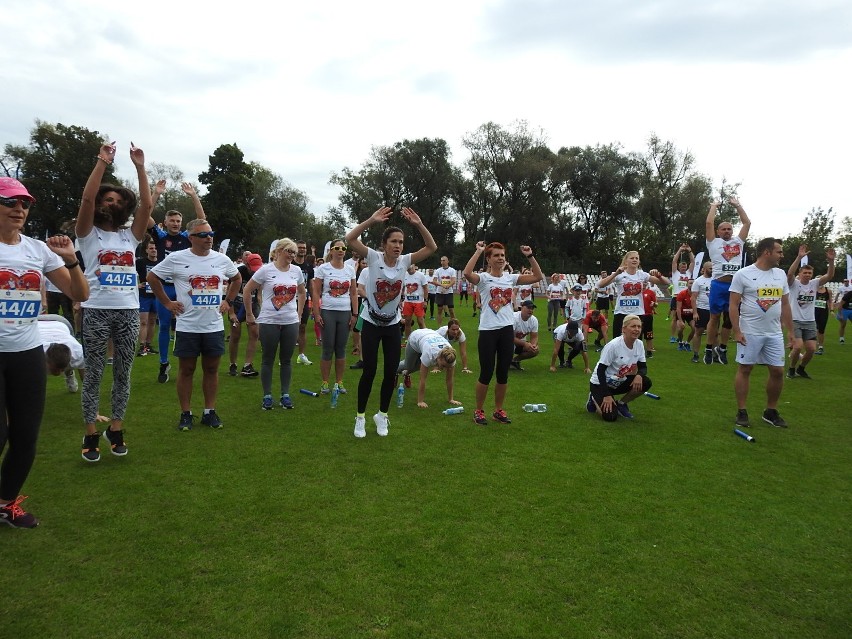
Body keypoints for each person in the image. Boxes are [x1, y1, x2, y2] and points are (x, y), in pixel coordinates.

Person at [1, 177, 89, 527]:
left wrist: (70, 259)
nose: (19, 209)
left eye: (24, 203)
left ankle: (5, 504)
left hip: (27, 353)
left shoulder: (37, 250)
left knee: (25, 436)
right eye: (10, 202)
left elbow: (79, 294)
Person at [76, 142, 152, 463]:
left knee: (124, 372)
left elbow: (147, 207)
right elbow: (87, 198)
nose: (112, 203)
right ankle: (91, 431)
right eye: (109, 198)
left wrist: (139, 167)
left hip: (127, 312)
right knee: (93, 373)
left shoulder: (128, 237)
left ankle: (116, 429)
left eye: (119, 200)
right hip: (95, 311)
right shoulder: (87, 233)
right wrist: (102, 162)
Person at [345, 207, 437, 438]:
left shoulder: (405, 261)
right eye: (393, 241)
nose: (398, 246)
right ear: (384, 243)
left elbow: (431, 247)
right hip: (371, 323)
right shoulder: (373, 258)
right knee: (369, 371)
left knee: (391, 372)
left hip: (392, 324)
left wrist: (419, 224)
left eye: (401, 242)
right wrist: (371, 220)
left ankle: (382, 415)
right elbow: (350, 239)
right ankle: (360, 417)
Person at [148, 219, 241, 430]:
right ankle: (186, 413)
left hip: (213, 325)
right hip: (187, 326)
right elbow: (152, 277)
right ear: (191, 238)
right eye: (203, 235)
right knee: (187, 369)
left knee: (211, 369)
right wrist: (167, 303)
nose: (209, 238)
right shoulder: (177, 258)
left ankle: (209, 411)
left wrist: (228, 301)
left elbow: (236, 279)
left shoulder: (221, 259)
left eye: (211, 234)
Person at [463, 241, 543, 426]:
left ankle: (498, 410)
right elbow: (467, 273)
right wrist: (478, 251)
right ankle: (479, 411)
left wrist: (530, 255)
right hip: (488, 331)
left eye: (502, 255)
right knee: (486, 372)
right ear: (489, 259)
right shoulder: (483, 278)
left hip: (507, 331)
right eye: (496, 255)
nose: (500, 258)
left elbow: (537, 276)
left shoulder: (510, 278)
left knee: (502, 374)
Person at [729, 237, 793, 428]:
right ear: (767, 252)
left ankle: (770, 411)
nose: (782, 255)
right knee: (745, 368)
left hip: (774, 332)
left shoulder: (780, 274)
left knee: (778, 371)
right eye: (779, 251)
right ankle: (742, 411)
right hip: (750, 331)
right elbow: (733, 304)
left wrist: (791, 331)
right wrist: (737, 330)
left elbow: (785, 303)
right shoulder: (743, 274)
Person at [148, 180, 207, 384]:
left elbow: (201, 219)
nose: (175, 224)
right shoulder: (160, 237)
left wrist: (193, 196)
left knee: (189, 324)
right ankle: (164, 363)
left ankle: (189, 360)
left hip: (185, 287)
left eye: (178, 221)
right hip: (165, 288)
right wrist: (155, 193)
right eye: (172, 220)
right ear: (165, 222)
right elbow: (145, 215)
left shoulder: (186, 236)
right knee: (164, 326)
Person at [243, 238, 306, 411]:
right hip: (269, 320)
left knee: (286, 360)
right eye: (289, 251)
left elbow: (302, 292)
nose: (292, 255)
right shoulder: (265, 270)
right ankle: (267, 396)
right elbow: (247, 290)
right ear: (278, 252)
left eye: (294, 252)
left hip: (290, 321)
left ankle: (285, 395)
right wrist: (249, 313)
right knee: (268, 359)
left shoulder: (297, 271)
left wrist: (299, 314)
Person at [704, 196, 751, 365]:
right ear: (718, 232)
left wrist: (738, 205)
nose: (727, 231)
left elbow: (747, 223)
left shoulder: (738, 242)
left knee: (731, 319)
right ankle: (709, 348)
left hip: (735, 286)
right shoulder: (713, 242)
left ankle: (722, 348)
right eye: (723, 229)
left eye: (729, 229)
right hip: (718, 284)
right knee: (714, 317)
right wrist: (713, 206)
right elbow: (709, 223)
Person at [312, 239, 358, 395]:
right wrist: (317, 313)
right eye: (337, 248)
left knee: (341, 348)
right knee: (327, 348)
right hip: (328, 311)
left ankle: (339, 382)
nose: (340, 250)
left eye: (343, 248)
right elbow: (316, 292)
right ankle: (325, 383)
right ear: (331, 251)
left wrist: (355, 314)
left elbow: (353, 292)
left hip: (345, 312)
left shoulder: (350, 269)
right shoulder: (323, 268)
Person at [586, 314, 652, 422]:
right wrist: (606, 394)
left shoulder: (639, 344)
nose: (637, 329)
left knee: (645, 382)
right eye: (633, 326)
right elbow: (600, 370)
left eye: (639, 327)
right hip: (600, 383)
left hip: (618, 381)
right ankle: (593, 398)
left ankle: (621, 404)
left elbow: (643, 367)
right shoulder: (613, 346)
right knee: (610, 417)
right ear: (624, 329)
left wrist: (639, 375)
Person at [786, 245, 836, 379]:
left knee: (812, 349)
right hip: (795, 320)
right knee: (797, 347)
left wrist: (831, 261)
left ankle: (801, 369)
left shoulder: (814, 283)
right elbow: (790, 274)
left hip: (809, 321)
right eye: (805, 273)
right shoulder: (794, 284)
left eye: (809, 273)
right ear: (800, 274)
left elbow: (830, 275)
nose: (807, 275)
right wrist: (799, 257)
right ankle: (791, 369)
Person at [596, 251, 669, 337]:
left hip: (637, 313)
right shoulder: (620, 274)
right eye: (632, 258)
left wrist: (659, 275)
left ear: (639, 262)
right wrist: (616, 273)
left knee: (636, 340)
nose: (634, 260)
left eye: (636, 258)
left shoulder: (642, 275)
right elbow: (601, 284)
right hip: (621, 313)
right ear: (626, 261)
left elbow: (666, 283)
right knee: (619, 341)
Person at [396, 328, 460, 408]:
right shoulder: (429, 354)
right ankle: (393, 371)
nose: (444, 369)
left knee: (418, 366)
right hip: (415, 338)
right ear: (439, 358)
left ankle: (405, 374)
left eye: (447, 367)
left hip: (428, 337)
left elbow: (449, 379)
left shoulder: (451, 358)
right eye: (443, 366)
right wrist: (420, 401)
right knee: (408, 366)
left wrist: (451, 399)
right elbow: (422, 379)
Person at [227, 252, 262, 378]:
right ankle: (233, 364)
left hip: (252, 304)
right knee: (235, 335)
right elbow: (229, 293)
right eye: (253, 269)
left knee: (254, 334)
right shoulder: (239, 272)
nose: (255, 272)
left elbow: (259, 291)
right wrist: (231, 313)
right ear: (247, 264)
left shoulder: (260, 272)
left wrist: (259, 303)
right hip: (237, 304)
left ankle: (247, 365)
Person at [39, 314, 85, 393]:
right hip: (37, 323)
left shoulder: (78, 353)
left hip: (62, 324)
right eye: (56, 369)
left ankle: (69, 372)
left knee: (72, 363)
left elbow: (86, 378)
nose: (59, 373)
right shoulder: (35, 353)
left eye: (62, 369)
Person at [292, 240, 314, 365]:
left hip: (304, 299)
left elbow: (310, 284)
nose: (302, 250)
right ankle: (285, 355)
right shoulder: (291, 264)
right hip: (289, 300)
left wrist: (312, 300)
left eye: (304, 248)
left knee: (302, 327)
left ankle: (301, 355)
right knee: (287, 328)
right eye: (300, 247)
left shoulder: (308, 266)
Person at [135, 238, 159, 356]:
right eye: (151, 248)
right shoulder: (140, 262)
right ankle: (142, 346)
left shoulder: (161, 262)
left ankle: (148, 345)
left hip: (157, 295)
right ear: (146, 250)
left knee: (152, 321)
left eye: (155, 248)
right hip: (144, 295)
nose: (154, 250)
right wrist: (136, 285)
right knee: (143, 321)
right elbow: (130, 272)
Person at [669, 244, 695, 343]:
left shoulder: (689, 273)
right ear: (679, 267)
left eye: (685, 267)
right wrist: (680, 250)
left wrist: (689, 251)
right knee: (675, 318)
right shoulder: (676, 273)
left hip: (687, 297)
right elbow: (674, 261)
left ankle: (682, 337)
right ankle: (672, 336)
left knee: (687, 316)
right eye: (682, 267)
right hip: (676, 297)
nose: (683, 268)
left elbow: (693, 261)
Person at [689, 262, 713, 363]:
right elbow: (693, 298)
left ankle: (713, 354)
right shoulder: (698, 281)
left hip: (713, 310)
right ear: (705, 269)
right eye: (711, 268)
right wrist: (695, 313)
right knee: (698, 332)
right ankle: (696, 354)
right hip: (702, 309)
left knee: (714, 333)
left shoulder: (715, 280)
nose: (712, 270)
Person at [401, 263, 429, 342]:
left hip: (418, 302)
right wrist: (401, 298)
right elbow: (403, 288)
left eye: (410, 264)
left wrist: (425, 301)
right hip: (408, 302)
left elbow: (426, 288)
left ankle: (425, 338)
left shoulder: (420, 275)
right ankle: (408, 340)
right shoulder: (404, 275)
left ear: (413, 264)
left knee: (420, 321)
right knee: (407, 322)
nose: (408, 267)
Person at [510, 300, 540, 370]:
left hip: (520, 344)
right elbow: (510, 337)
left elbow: (534, 336)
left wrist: (533, 345)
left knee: (535, 350)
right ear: (522, 307)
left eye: (532, 308)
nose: (531, 310)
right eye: (528, 308)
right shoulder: (514, 317)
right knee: (509, 346)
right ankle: (505, 362)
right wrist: (525, 344)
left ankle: (514, 361)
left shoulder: (534, 320)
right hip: (507, 342)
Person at [432, 255, 457, 326]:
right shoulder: (438, 270)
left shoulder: (452, 270)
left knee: (451, 310)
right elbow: (434, 281)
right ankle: (439, 327)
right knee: (440, 310)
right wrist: (442, 285)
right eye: (441, 260)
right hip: (440, 292)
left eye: (444, 260)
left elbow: (453, 280)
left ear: (447, 261)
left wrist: (448, 286)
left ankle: (454, 326)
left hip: (449, 292)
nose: (442, 262)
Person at [674, 279, 696, 352]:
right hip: (682, 314)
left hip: (691, 314)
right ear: (687, 285)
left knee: (694, 328)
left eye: (693, 283)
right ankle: (680, 342)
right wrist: (680, 320)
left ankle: (687, 343)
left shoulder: (696, 294)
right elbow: (678, 308)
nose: (692, 284)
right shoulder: (682, 294)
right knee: (681, 328)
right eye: (690, 283)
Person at [814, 283, 831, 355]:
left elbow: (830, 301)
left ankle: (820, 347)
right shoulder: (813, 290)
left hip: (823, 312)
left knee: (821, 329)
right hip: (813, 311)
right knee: (813, 328)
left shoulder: (828, 290)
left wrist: (832, 310)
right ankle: (812, 345)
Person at [833, 279, 852, 344]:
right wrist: (840, 314)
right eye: (845, 281)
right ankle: (841, 338)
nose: (846, 282)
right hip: (845, 309)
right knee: (843, 324)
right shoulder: (848, 294)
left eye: (847, 281)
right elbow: (840, 305)